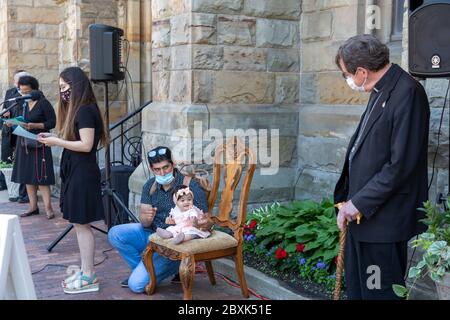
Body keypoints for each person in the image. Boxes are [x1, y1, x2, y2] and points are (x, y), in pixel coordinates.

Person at [333, 34, 430, 300]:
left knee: (377, 291)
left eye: (347, 74)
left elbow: (400, 165)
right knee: (359, 289)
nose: (348, 80)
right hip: (363, 217)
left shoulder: (407, 92)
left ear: (362, 71)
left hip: (383, 222)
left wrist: (359, 203)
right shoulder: (380, 89)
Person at [38, 66, 108, 294]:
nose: (61, 92)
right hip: (77, 171)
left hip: (83, 174)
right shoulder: (80, 110)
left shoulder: (86, 110)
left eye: (64, 87)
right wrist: (55, 138)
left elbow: (86, 145)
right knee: (80, 225)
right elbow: (78, 141)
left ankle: (89, 276)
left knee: (82, 225)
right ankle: (87, 272)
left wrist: (57, 142)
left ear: (75, 86)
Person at [108, 146, 211, 293]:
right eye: (157, 169)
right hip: (154, 235)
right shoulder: (150, 185)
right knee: (115, 233)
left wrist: (200, 223)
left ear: (173, 164)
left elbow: (205, 220)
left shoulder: (189, 185)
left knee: (136, 285)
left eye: (166, 167)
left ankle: (167, 267)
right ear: (151, 169)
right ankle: (147, 271)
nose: (162, 173)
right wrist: (145, 218)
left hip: (175, 244)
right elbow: (144, 222)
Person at [9, 76, 56, 219]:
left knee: (41, 176)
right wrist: (12, 122)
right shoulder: (22, 104)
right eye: (22, 91)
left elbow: (51, 123)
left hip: (39, 142)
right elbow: (20, 120)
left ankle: (48, 208)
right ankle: (33, 206)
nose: (24, 95)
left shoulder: (44, 103)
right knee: (27, 176)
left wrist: (34, 125)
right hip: (24, 143)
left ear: (34, 89)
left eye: (27, 91)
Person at [0, 70, 31, 202]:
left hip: (23, 133)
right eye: (17, 81)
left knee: (23, 163)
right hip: (9, 132)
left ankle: (23, 193)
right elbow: (7, 109)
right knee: (6, 161)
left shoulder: (33, 94)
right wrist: (5, 115)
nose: (17, 84)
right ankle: (9, 187)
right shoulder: (10, 93)